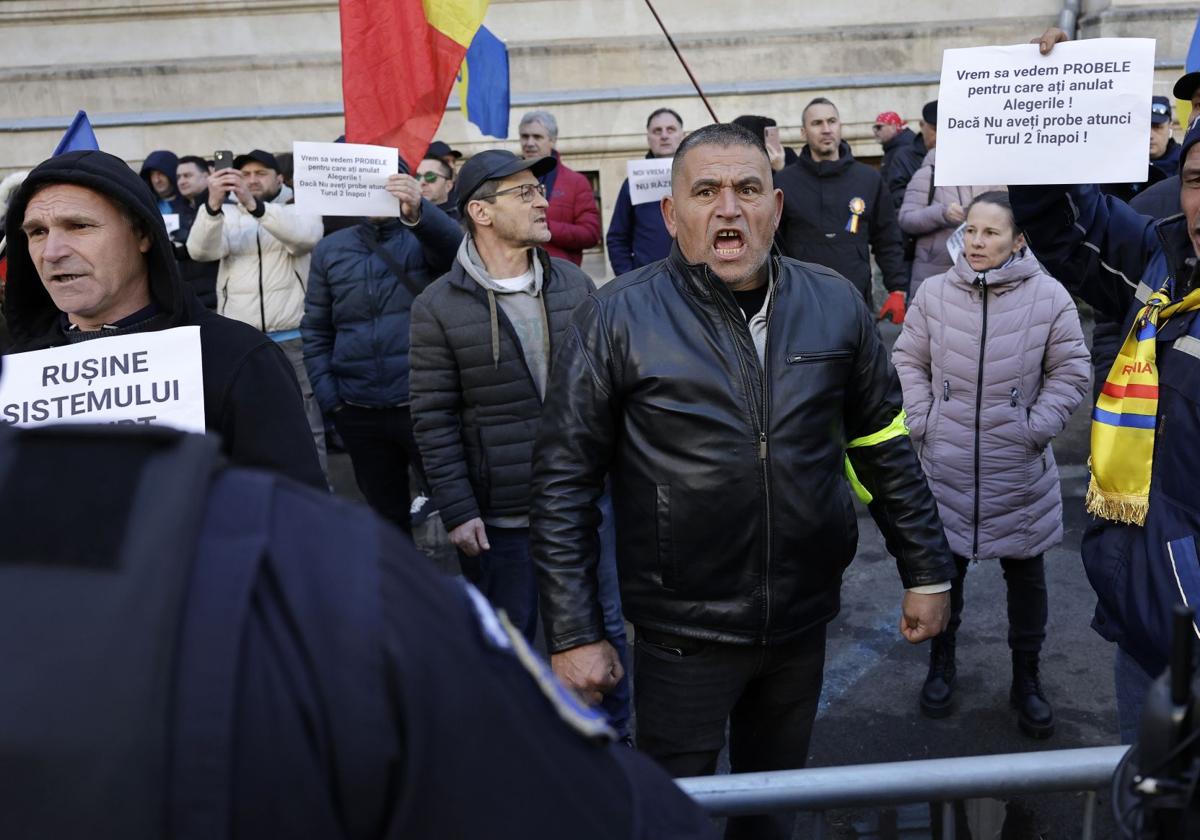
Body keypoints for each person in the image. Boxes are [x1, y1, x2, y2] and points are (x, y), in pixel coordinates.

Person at [0, 397, 716, 839]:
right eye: (37, 231)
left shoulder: (319, 570)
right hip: (488, 517)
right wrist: (460, 506)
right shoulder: (317, 575)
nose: (56, 249)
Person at [530, 123, 954, 840]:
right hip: (680, 636)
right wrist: (574, 632)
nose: (729, 208)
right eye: (706, 191)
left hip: (801, 622)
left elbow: (882, 443)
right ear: (671, 214)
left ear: (775, 207)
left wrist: (928, 570)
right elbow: (563, 483)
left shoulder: (835, 305)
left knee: (772, 807)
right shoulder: (614, 317)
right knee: (675, 810)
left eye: (748, 189)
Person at [1014, 27, 1200, 745]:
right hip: (1150, 635)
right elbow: (1062, 225)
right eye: (1194, 180)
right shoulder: (1161, 263)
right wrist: (1054, 100)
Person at [409, 149, 633, 737]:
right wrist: (457, 508)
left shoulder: (576, 284)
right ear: (480, 211)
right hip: (502, 515)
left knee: (605, 629)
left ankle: (615, 746)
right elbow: (432, 416)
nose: (544, 201)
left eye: (541, 190)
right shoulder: (436, 307)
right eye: (526, 193)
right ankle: (530, 760)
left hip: (587, 504)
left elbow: (611, 395)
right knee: (514, 643)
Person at [2, 149, 324, 488]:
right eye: (37, 232)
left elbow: (294, 519)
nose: (52, 252)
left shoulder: (239, 359)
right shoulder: (14, 376)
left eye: (79, 226)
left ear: (142, 234)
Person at [893, 191, 1090, 738]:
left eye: (991, 233)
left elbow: (1073, 369)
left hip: (1018, 469)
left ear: (1018, 240)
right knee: (942, 576)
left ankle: (1027, 680)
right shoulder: (934, 293)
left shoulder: (1049, 297)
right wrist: (924, 419)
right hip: (946, 465)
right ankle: (941, 663)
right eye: (972, 231)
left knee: (1026, 581)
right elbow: (907, 357)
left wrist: (1035, 427)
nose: (977, 242)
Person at [302, 171, 461, 534]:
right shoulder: (330, 248)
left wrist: (420, 212)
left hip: (423, 404)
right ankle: (399, 590)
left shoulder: (422, 236)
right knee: (385, 524)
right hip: (359, 409)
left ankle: (470, 590)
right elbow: (316, 327)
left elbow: (456, 252)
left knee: (459, 512)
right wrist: (333, 402)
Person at [186, 148, 328, 475]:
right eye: (245, 174)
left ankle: (317, 496)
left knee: (307, 425)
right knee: (249, 426)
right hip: (242, 342)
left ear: (280, 178)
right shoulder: (225, 212)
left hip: (295, 338)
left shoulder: (299, 206)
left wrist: (256, 206)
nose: (251, 180)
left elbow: (305, 238)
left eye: (260, 173)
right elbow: (200, 251)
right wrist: (212, 205)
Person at [774, 97, 909, 323]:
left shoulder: (868, 179)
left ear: (840, 127)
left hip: (855, 301)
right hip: (800, 304)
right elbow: (771, 247)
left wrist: (897, 288)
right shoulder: (784, 183)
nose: (826, 129)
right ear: (803, 132)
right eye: (817, 123)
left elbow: (887, 238)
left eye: (832, 121)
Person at [898, 152, 1002, 295]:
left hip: (986, 271)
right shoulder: (930, 172)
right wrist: (942, 214)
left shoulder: (993, 173)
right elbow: (906, 219)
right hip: (936, 272)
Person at [605, 107, 683, 276]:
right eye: (657, 131)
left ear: (682, 135)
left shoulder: (699, 178)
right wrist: (629, 279)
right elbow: (617, 238)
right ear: (648, 138)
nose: (664, 135)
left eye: (671, 129)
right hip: (648, 282)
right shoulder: (633, 182)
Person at [518, 110, 601, 265]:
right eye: (524, 136)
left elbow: (591, 234)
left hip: (560, 276)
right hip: (517, 273)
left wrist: (546, 227)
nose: (529, 143)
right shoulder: (508, 182)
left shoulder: (576, 182)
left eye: (537, 137)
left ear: (552, 140)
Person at [170, 155, 219, 309]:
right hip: (191, 298)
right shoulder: (178, 209)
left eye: (187, 175)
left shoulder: (221, 207)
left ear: (206, 176)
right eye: (178, 177)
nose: (181, 181)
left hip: (216, 297)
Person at [874, 110, 926, 210]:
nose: (876, 131)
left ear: (893, 126)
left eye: (879, 127)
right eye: (875, 128)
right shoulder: (893, 149)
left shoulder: (904, 151)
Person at [139, 149, 186, 217]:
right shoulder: (145, 206)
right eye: (152, 175)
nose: (157, 180)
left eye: (160, 174)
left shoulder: (190, 204)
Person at [416, 155, 459, 221]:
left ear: (448, 186)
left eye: (430, 176)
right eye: (418, 177)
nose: (422, 182)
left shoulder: (462, 220)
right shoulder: (406, 217)